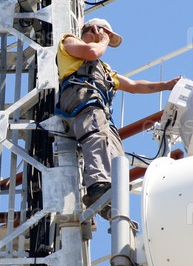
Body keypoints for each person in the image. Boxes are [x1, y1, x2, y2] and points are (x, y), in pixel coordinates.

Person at [57, 18, 179, 216]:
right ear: (94, 29)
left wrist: (166, 85)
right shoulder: (69, 42)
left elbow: (134, 86)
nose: (106, 40)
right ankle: (98, 186)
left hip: (100, 110)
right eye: (105, 34)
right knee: (96, 137)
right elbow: (92, 52)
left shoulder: (103, 69)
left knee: (116, 152)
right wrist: (103, 41)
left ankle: (112, 197)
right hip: (83, 102)